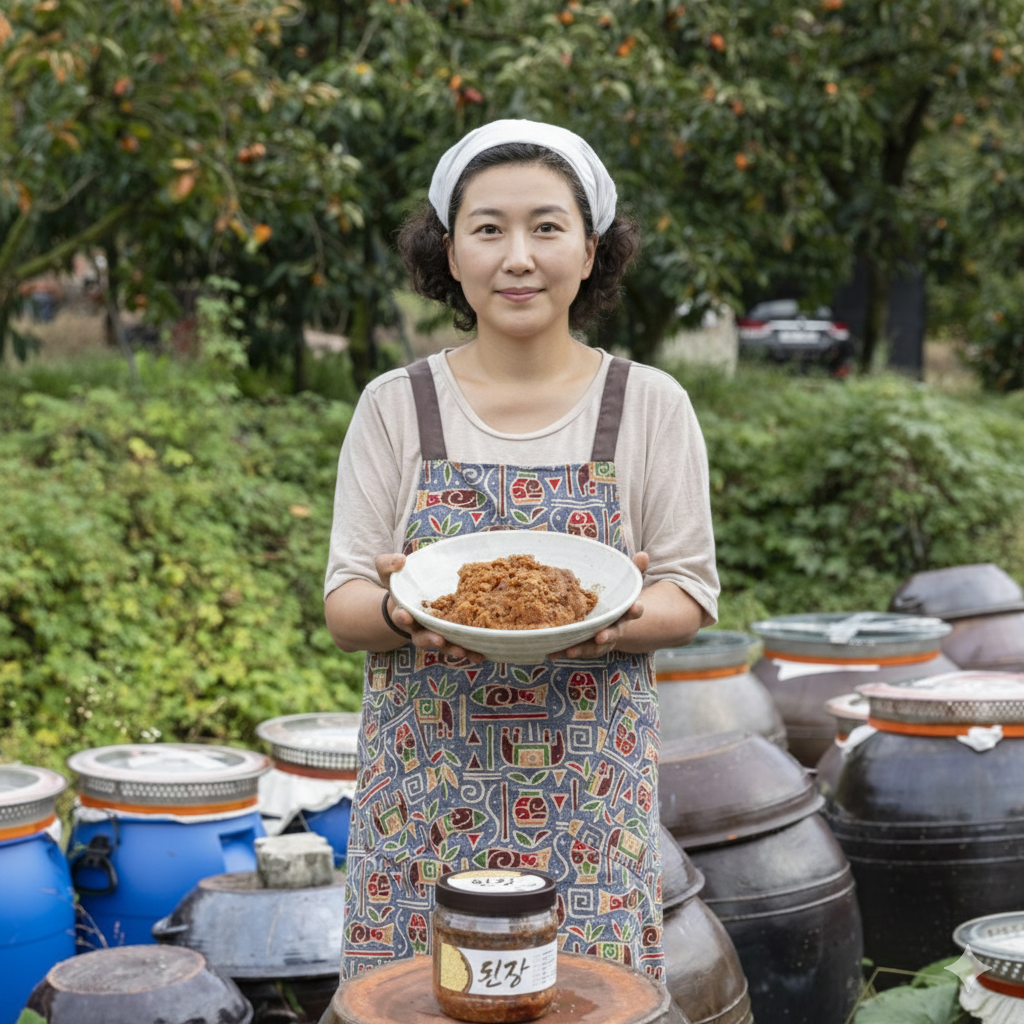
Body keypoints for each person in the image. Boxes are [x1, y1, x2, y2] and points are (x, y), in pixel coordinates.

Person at [324, 120, 719, 981]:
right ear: (449, 254)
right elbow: (347, 602)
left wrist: (616, 623)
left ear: (591, 252)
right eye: (487, 228)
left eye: (547, 227)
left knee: (587, 1000)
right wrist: (401, 611)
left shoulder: (649, 405)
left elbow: (686, 590)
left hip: (591, 797)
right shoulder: (397, 407)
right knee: (418, 1000)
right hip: (421, 800)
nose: (518, 257)